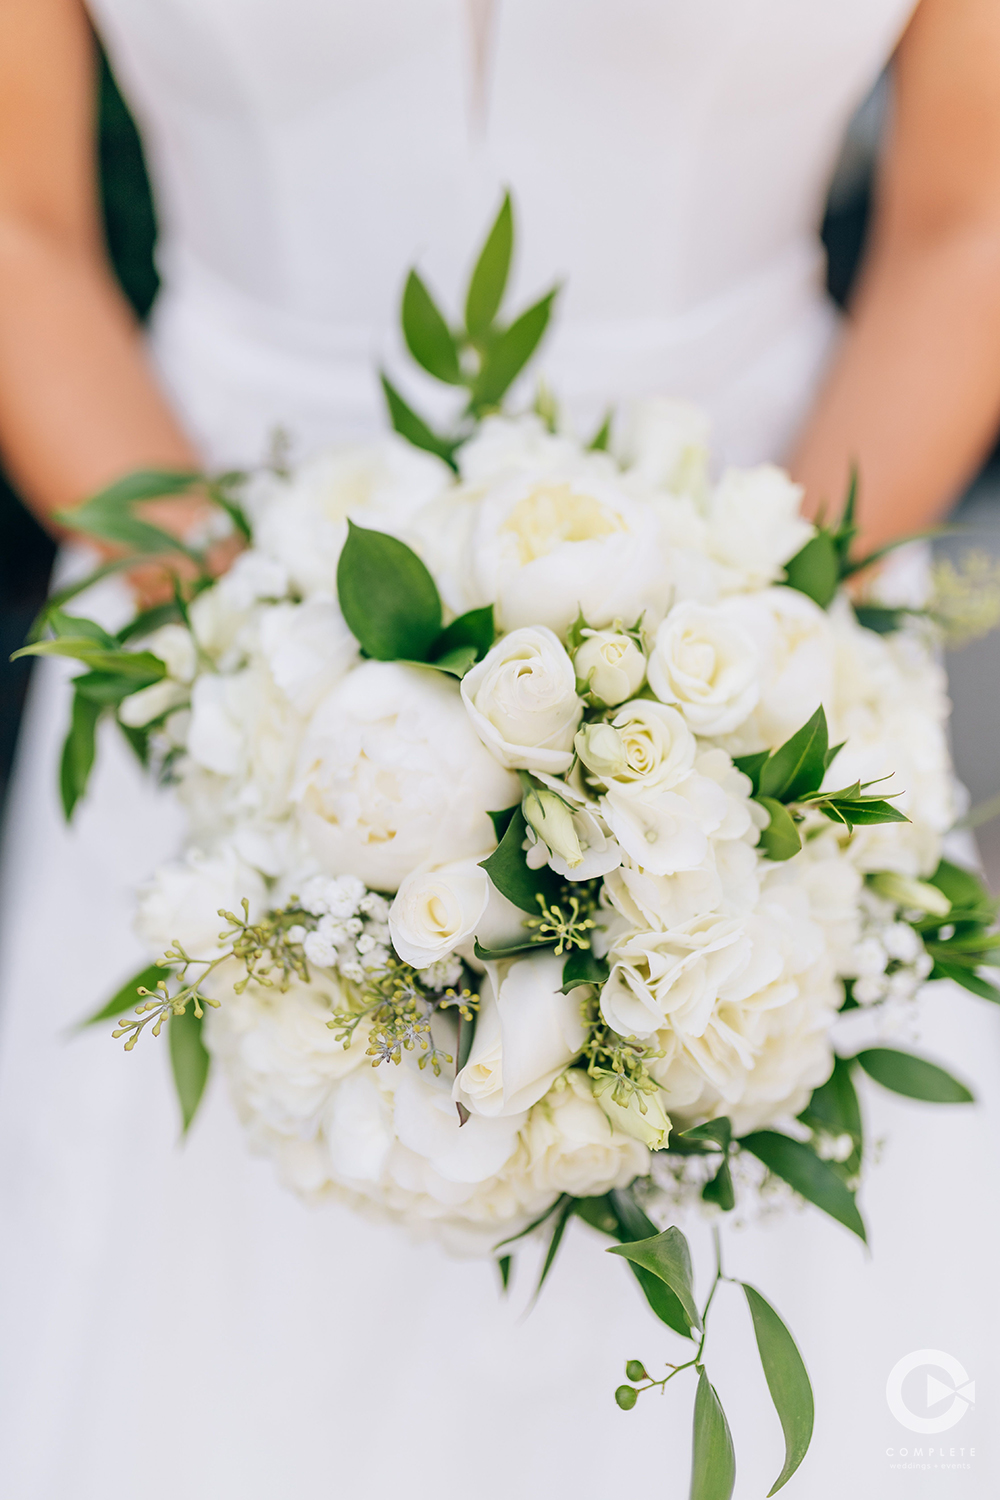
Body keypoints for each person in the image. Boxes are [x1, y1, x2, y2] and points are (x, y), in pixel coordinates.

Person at [0, 3, 998, 1496]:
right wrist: (251, 653)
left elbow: (964, 223)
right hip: (201, 643)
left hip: (773, 631)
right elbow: (19, 225)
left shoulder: (763, 655)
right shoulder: (224, 660)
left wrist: (745, 658)